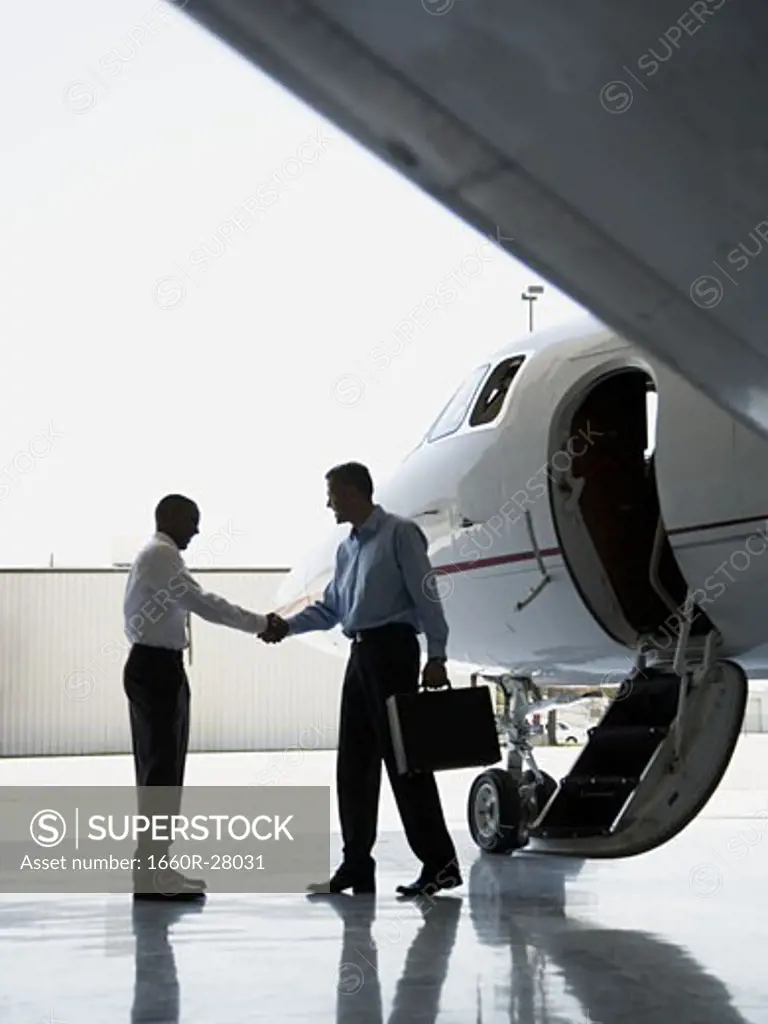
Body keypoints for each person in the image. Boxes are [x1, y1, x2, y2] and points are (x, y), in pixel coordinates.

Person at [261, 462, 461, 898]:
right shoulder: (347, 549)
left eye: (332, 493)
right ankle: (357, 865)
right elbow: (332, 609)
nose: (328, 502)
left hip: (394, 651)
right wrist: (285, 625)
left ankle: (439, 865)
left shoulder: (399, 534)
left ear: (353, 492)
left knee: (406, 763)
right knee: (353, 764)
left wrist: (438, 654)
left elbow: (427, 595)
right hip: (362, 653)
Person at [123, 494, 272, 901]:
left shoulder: (157, 555)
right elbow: (204, 603)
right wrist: (260, 623)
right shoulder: (161, 556)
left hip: (155, 667)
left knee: (159, 772)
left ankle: (155, 871)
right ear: (170, 517)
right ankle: (154, 876)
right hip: (157, 670)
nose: (197, 529)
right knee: (162, 774)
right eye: (192, 520)